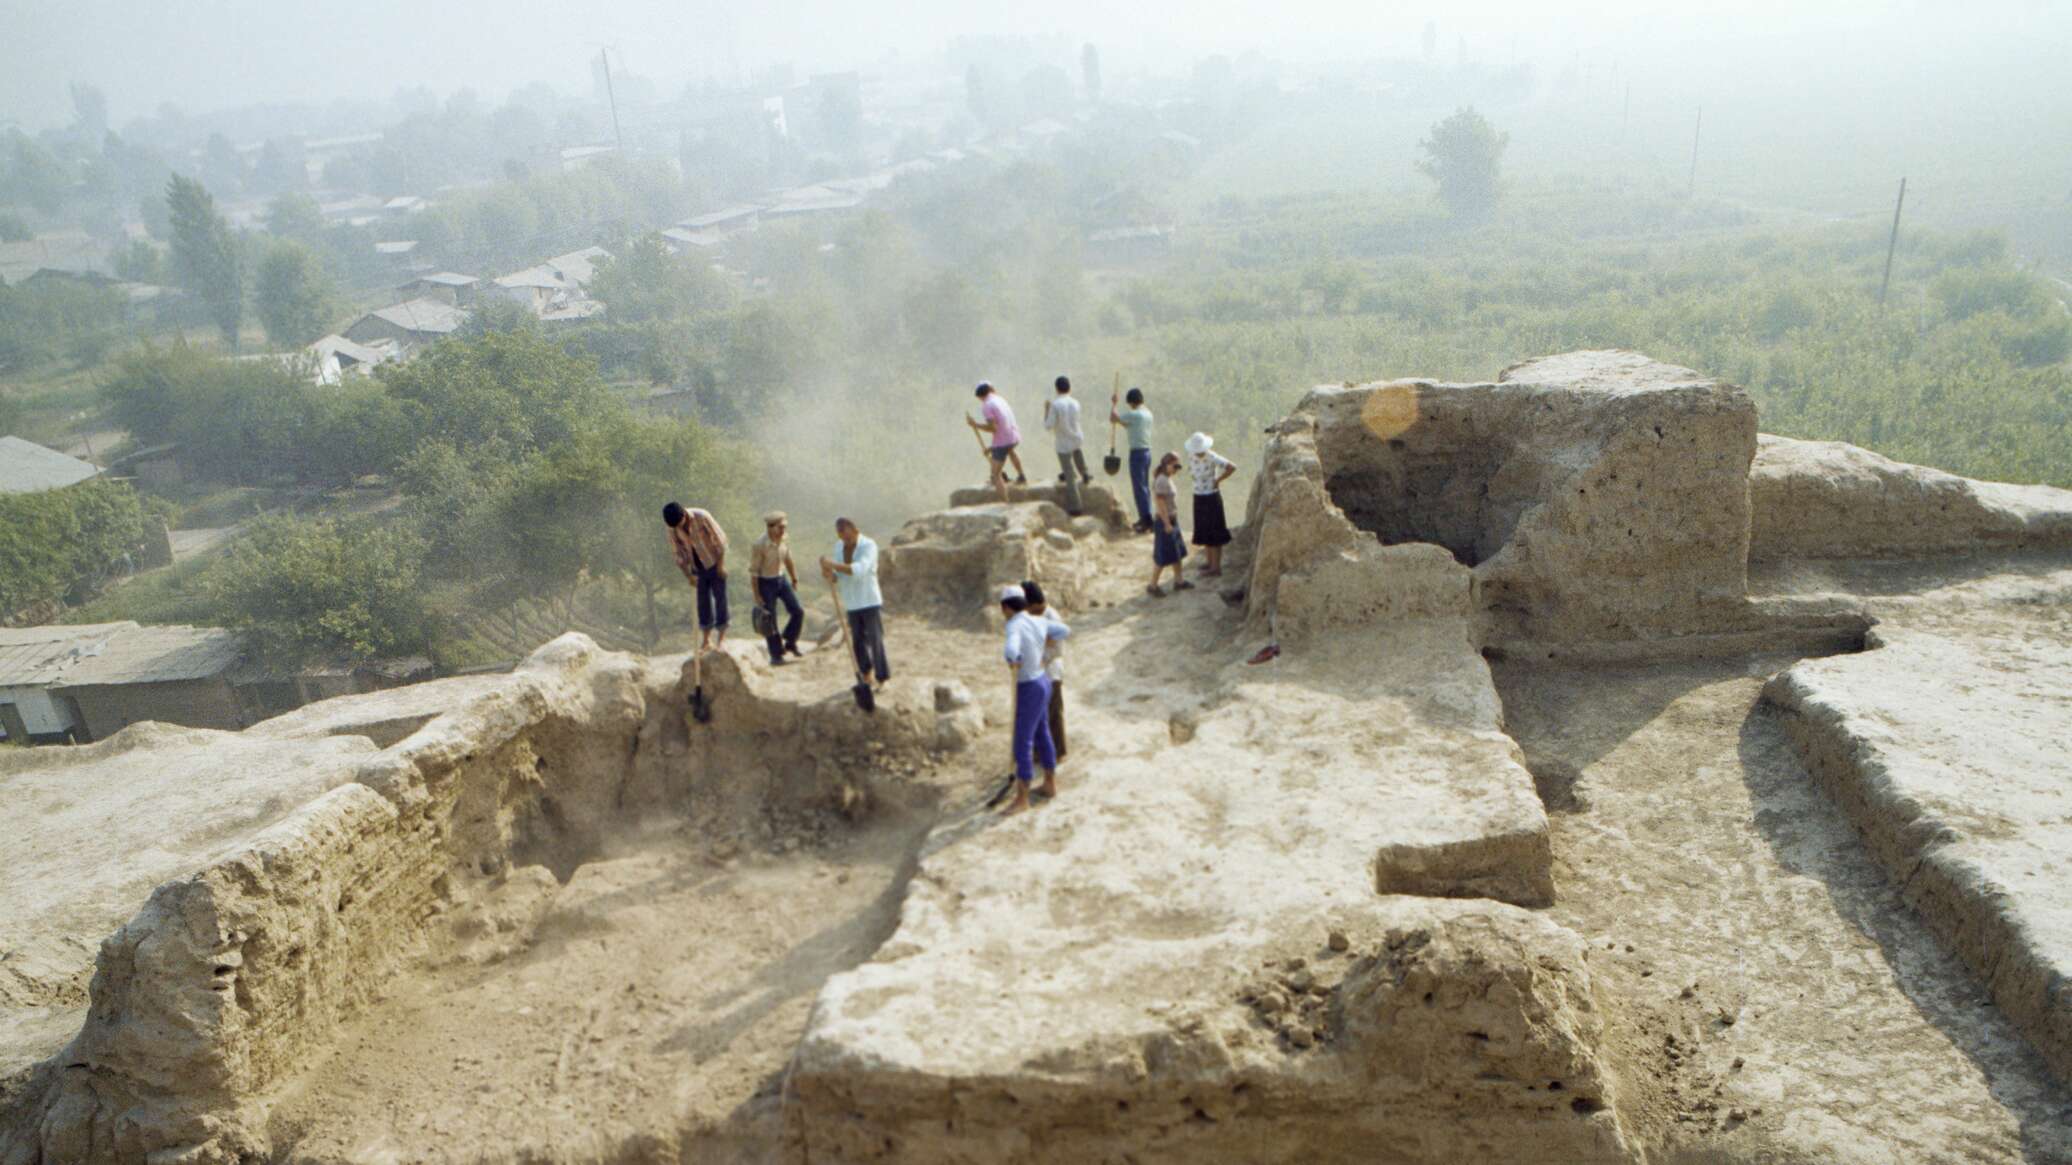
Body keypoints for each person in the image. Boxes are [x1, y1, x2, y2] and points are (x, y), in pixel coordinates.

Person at [998, 583, 1068, 815]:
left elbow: (1011, 649)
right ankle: (1049, 783)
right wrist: (1043, 641)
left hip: (1028, 686)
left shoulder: (1014, 625)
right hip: (1043, 682)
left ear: (1006, 608)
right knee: (1042, 732)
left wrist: (1014, 657)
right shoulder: (1038, 621)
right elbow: (1064, 631)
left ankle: (1022, 798)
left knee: (1023, 741)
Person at [821, 517, 890, 687]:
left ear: (854, 529)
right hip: (851, 602)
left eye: (845, 533)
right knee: (858, 640)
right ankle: (866, 674)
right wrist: (830, 574)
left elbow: (860, 570)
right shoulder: (839, 547)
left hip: (869, 600)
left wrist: (834, 565)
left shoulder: (869, 546)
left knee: (875, 640)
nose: (843, 538)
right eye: (839, 534)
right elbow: (841, 576)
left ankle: (883, 678)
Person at [663, 501, 728, 651]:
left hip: (713, 562)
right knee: (703, 605)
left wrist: (721, 566)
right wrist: (689, 576)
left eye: (680, 524)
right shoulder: (672, 528)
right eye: (675, 526)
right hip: (696, 569)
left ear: (684, 515)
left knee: (720, 600)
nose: (678, 528)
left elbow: (721, 541)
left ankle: (722, 639)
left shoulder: (701, 516)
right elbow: (678, 555)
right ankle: (706, 640)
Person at [1022, 579, 1068, 761]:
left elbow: (1057, 649)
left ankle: (1057, 753)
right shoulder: (1028, 617)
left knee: (1053, 713)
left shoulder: (1052, 618)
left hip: (1050, 673)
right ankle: (1039, 751)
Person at [751, 511, 804, 666]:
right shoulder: (760, 545)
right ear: (770, 527)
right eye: (780, 527)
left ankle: (790, 641)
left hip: (781, 579)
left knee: (798, 611)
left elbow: (788, 559)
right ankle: (776, 655)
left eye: (784, 527)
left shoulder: (784, 539)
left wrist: (794, 578)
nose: (783, 530)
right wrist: (757, 594)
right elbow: (754, 572)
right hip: (765, 582)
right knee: (769, 620)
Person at [1185, 432, 1237, 577]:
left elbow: (1231, 466)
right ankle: (1210, 563)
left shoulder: (1211, 456)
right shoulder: (1192, 456)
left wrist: (1218, 480)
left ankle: (1215, 567)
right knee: (1205, 532)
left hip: (1210, 496)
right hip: (1199, 496)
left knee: (1214, 533)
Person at [967, 382, 1027, 503]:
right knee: (1010, 451)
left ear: (980, 396)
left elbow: (993, 428)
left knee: (995, 474)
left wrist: (975, 425)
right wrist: (991, 448)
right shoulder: (999, 399)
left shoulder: (987, 405)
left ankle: (1006, 501)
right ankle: (1022, 476)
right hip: (1013, 436)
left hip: (1003, 441)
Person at [1147, 451, 1195, 597]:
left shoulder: (1167, 478)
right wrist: (1167, 524)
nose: (1177, 469)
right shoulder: (1161, 481)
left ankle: (1179, 581)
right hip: (1165, 522)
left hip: (1172, 520)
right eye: (1175, 466)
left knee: (1177, 552)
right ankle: (1153, 585)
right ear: (1167, 464)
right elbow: (1160, 504)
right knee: (1162, 555)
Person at [1043, 375, 1090, 516]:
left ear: (1057, 389)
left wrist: (1046, 409)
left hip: (1063, 441)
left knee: (1069, 475)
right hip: (1076, 437)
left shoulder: (1055, 405)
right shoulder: (1075, 402)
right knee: (1077, 452)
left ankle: (1076, 507)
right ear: (1069, 387)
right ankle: (1085, 473)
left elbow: (1048, 425)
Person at [1111, 386, 1155, 532]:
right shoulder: (1148, 414)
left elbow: (1113, 418)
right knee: (1145, 487)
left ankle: (1146, 520)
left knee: (1138, 488)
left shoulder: (1135, 414)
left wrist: (1114, 403)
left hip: (1137, 454)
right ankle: (1148, 517)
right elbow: (1126, 425)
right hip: (1147, 452)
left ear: (1132, 402)